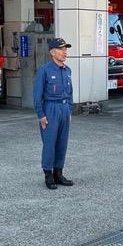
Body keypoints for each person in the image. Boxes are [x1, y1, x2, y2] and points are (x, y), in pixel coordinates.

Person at [33, 38, 74, 190]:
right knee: (49, 143)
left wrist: (69, 110)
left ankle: (59, 172)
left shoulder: (67, 70)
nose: (65, 52)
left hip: (64, 109)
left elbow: (70, 93)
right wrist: (41, 114)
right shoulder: (44, 70)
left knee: (62, 143)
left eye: (66, 49)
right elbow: (37, 95)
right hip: (50, 109)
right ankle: (48, 174)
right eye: (61, 49)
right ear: (52, 52)